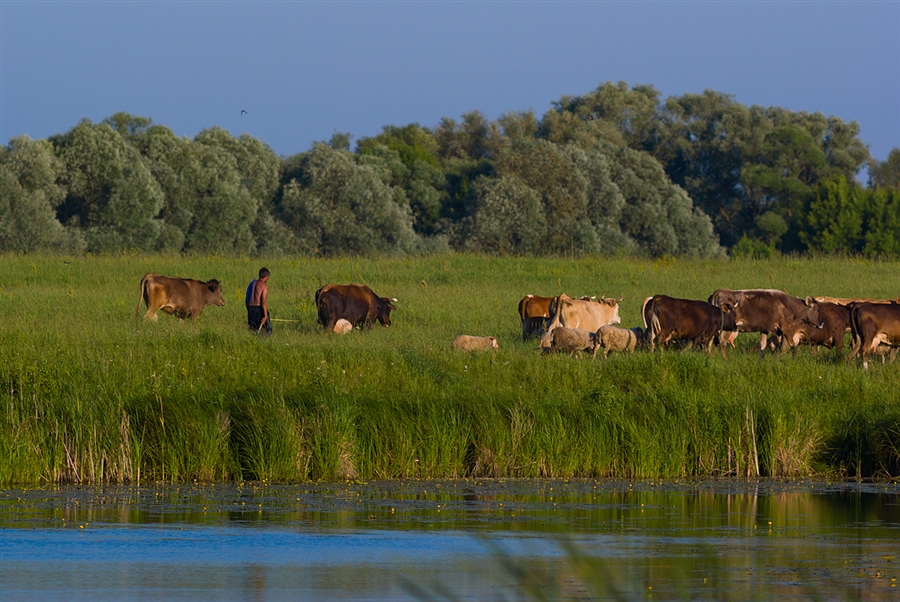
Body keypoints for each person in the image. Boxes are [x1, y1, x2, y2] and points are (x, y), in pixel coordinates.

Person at [246, 267, 271, 336]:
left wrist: (249, 309)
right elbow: (263, 301)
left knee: (253, 329)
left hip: (250, 307)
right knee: (267, 330)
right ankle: (261, 341)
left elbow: (247, 298)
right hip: (258, 308)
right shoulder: (264, 286)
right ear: (266, 276)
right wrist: (265, 315)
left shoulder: (251, 284)